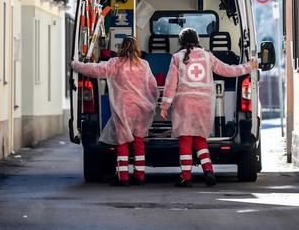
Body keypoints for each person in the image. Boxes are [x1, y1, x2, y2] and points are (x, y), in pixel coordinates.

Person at [159, 28, 258, 187]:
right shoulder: (207, 56)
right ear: (197, 40)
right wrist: (248, 66)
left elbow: (170, 84)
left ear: (181, 41)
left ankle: (186, 177)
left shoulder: (177, 57)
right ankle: (208, 171)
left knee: (185, 140)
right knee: (200, 139)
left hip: (184, 105)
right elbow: (227, 70)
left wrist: (165, 106)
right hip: (204, 104)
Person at [71, 36, 158, 186]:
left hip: (123, 109)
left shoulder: (116, 63)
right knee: (139, 142)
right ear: (136, 48)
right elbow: (153, 87)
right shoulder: (144, 64)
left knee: (122, 142)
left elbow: (95, 70)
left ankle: (123, 178)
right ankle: (139, 176)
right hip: (142, 109)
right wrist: (153, 103)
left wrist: (75, 65)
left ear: (121, 47)